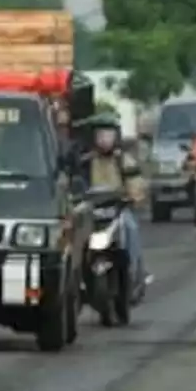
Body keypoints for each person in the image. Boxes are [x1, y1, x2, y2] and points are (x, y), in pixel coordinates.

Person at [76, 112, 147, 286]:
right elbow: (75, 185)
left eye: (108, 135)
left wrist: (134, 196)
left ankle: (134, 270)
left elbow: (136, 182)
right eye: (100, 135)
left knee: (131, 227)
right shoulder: (84, 162)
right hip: (91, 211)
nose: (104, 140)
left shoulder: (124, 159)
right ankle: (77, 279)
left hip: (118, 209)